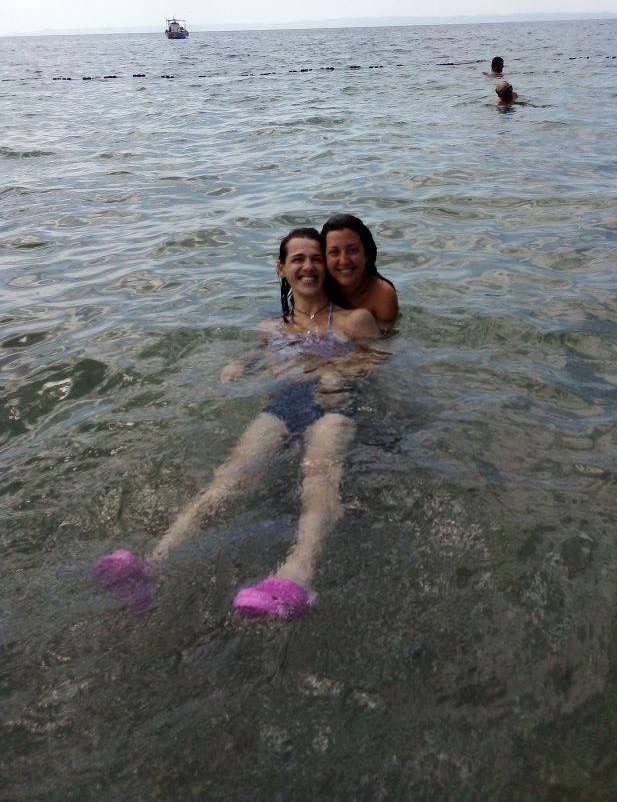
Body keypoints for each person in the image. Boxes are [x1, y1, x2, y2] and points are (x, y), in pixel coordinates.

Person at [92, 228, 382, 620]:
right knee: (231, 477)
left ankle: (298, 577)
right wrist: (239, 363)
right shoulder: (270, 328)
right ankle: (153, 564)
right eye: (298, 259)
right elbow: (260, 352)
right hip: (285, 403)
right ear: (281, 268)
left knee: (318, 476)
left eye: (316, 258)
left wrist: (339, 370)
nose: (308, 266)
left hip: (336, 403)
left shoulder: (354, 320)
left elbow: (377, 363)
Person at [320, 214, 399, 327]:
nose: (344, 261)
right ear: (324, 257)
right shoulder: (316, 289)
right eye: (334, 252)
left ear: (366, 255)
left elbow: (385, 337)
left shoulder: (382, 294)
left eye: (352, 250)